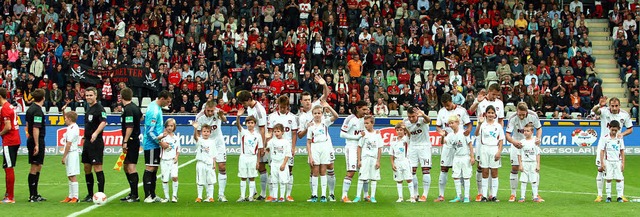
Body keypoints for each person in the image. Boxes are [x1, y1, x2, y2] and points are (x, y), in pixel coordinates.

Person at [296, 75, 332, 201]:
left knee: (328, 168)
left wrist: (324, 85)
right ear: (301, 101)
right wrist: (307, 128)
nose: (307, 101)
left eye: (309, 99)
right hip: (314, 143)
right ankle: (314, 194)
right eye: (305, 100)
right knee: (313, 170)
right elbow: (300, 135)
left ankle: (330, 194)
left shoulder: (317, 106)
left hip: (326, 142)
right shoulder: (301, 117)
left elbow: (326, 96)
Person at [592, 97, 632, 202]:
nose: (614, 108)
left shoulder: (624, 115)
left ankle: (621, 195)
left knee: (619, 169)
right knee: (601, 169)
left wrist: (622, 134)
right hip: (604, 143)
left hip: (617, 143)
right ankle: (600, 195)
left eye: (616, 106)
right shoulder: (604, 111)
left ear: (619, 105)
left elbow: (630, 128)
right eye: (612, 106)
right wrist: (599, 104)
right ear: (609, 105)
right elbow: (594, 111)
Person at [469, 85, 504, 202]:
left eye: (497, 95)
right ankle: (480, 193)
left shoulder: (499, 103)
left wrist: (498, 134)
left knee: (493, 169)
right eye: (493, 94)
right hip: (481, 140)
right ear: (489, 91)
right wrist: (476, 102)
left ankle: (491, 194)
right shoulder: (481, 100)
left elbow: (501, 120)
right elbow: (471, 110)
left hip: (493, 139)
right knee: (481, 167)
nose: (495, 97)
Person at [434, 93, 471, 202]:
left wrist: (468, 131)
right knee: (444, 168)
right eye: (445, 105)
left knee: (462, 171)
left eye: (448, 105)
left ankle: (465, 195)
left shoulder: (462, 111)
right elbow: (438, 126)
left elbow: (469, 124)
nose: (447, 107)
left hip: (460, 142)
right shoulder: (441, 112)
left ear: (452, 101)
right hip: (448, 141)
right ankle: (441, 195)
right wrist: (441, 132)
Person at [505, 102, 542, 202]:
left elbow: (539, 128)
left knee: (535, 168)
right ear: (516, 111)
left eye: (523, 114)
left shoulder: (533, 115)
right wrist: (514, 142)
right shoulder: (513, 117)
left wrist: (537, 139)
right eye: (519, 114)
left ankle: (536, 194)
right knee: (515, 167)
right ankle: (513, 194)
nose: (521, 116)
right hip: (517, 142)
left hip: (530, 143)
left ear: (527, 112)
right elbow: (507, 134)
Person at [237, 90, 268, 200]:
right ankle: (253, 192)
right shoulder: (250, 108)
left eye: (244, 103)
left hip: (259, 140)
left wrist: (263, 146)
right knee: (253, 169)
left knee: (261, 167)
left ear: (249, 100)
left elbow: (262, 129)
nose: (243, 105)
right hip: (252, 139)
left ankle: (263, 193)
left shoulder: (259, 110)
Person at [142, 90, 172, 203]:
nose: (168, 104)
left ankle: (153, 195)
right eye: (167, 101)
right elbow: (149, 131)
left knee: (154, 168)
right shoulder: (154, 111)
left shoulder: (157, 107)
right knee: (150, 168)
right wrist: (160, 142)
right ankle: (147, 196)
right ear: (162, 98)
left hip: (155, 143)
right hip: (151, 144)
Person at [195, 100, 228, 202]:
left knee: (222, 166)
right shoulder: (199, 117)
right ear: (205, 108)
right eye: (208, 111)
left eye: (211, 111)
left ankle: (221, 195)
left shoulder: (217, 112)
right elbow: (198, 132)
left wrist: (222, 116)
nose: (210, 113)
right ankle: (206, 195)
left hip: (218, 143)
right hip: (206, 144)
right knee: (205, 169)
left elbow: (225, 120)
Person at [267, 95, 298, 201]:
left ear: (288, 106)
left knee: (289, 170)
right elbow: (270, 132)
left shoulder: (293, 117)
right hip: (275, 148)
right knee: (273, 170)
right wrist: (268, 145)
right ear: (278, 106)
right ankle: (272, 194)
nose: (283, 109)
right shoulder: (272, 117)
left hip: (286, 147)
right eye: (281, 107)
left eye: (285, 107)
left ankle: (288, 194)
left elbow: (294, 134)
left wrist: (293, 147)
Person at [307, 102, 339, 202]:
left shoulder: (325, 122)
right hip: (315, 147)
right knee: (315, 171)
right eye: (315, 113)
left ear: (322, 114)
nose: (317, 115)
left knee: (323, 171)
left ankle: (324, 195)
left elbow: (336, 116)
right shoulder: (310, 126)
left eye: (319, 113)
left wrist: (328, 106)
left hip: (324, 146)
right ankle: (314, 194)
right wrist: (310, 156)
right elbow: (308, 142)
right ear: (312, 114)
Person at [339, 100, 369, 203]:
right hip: (351, 147)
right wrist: (356, 137)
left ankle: (366, 195)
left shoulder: (365, 119)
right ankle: (344, 196)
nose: (366, 111)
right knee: (351, 172)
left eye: (367, 109)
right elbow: (342, 134)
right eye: (364, 109)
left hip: (363, 147)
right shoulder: (350, 119)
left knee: (364, 172)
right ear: (357, 108)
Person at [81, 87, 107, 202]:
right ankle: (90, 194)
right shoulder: (88, 109)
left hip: (96, 142)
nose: (88, 97)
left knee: (97, 167)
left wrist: (95, 133)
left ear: (95, 96)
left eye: (90, 95)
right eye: (87, 95)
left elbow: (103, 122)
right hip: (87, 142)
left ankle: (101, 194)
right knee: (87, 167)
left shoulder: (99, 108)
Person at [475, 105, 505, 202]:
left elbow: (501, 140)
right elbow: (476, 134)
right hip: (484, 149)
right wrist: (479, 124)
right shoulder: (482, 124)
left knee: (494, 172)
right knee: (484, 172)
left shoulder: (498, 126)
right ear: (486, 114)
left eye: (492, 113)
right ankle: (484, 195)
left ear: (495, 115)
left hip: (494, 149)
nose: (491, 114)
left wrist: (499, 152)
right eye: (489, 113)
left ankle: (493, 195)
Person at [403, 106, 432, 202]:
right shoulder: (405, 122)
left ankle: (425, 194)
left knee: (425, 170)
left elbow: (429, 121)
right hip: (413, 146)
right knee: (412, 171)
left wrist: (423, 114)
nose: (411, 119)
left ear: (416, 115)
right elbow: (408, 134)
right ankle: (415, 194)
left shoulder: (422, 119)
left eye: (413, 116)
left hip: (424, 146)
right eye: (409, 116)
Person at [119, 87, 143, 203]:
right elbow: (141, 117)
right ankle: (132, 193)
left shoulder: (128, 109)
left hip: (131, 141)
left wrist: (125, 141)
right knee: (126, 166)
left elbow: (129, 126)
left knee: (131, 166)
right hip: (133, 139)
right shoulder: (135, 107)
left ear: (121, 97)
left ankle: (135, 195)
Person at [353, 115, 383, 203]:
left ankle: (372, 196)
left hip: (373, 159)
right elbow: (359, 147)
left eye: (367, 123)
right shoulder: (363, 134)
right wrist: (359, 160)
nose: (365, 125)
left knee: (373, 178)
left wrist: (378, 161)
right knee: (362, 177)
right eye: (365, 123)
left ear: (372, 123)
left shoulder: (377, 134)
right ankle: (358, 196)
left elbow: (379, 148)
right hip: (365, 158)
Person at [445, 114, 474, 203]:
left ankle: (466, 196)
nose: (450, 125)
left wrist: (472, 156)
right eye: (449, 123)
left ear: (457, 123)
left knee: (466, 177)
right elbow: (446, 143)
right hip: (456, 158)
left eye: (452, 123)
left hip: (465, 157)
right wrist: (443, 136)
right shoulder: (450, 135)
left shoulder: (464, 133)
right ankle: (458, 196)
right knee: (456, 176)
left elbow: (470, 145)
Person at [235, 110, 262, 202]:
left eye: (252, 123)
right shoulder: (243, 132)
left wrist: (258, 161)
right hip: (243, 157)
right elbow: (238, 126)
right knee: (243, 177)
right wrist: (238, 116)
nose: (250, 124)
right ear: (246, 124)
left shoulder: (258, 135)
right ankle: (242, 196)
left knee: (252, 177)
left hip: (253, 157)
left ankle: (251, 196)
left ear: (255, 124)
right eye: (248, 123)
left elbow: (259, 150)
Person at [25, 88, 46, 202]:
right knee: (34, 166)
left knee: (38, 165)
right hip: (36, 140)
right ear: (43, 98)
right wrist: (37, 144)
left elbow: (28, 124)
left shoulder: (30, 109)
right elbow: (35, 128)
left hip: (32, 139)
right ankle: (32, 195)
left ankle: (35, 193)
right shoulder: (37, 110)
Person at [598, 120, 626, 203]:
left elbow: (622, 151)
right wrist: (602, 163)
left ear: (618, 129)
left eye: (615, 130)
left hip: (617, 161)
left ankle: (619, 196)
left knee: (619, 178)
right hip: (608, 161)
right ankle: (609, 196)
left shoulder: (620, 138)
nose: (614, 132)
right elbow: (602, 150)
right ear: (609, 128)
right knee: (608, 178)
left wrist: (623, 163)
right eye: (612, 130)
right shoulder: (605, 138)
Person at [0, 87, 19, 203]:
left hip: (9, 140)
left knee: (8, 168)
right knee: (8, 167)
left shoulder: (5, 109)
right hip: (14, 139)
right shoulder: (10, 106)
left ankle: (10, 197)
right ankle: (8, 194)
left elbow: (8, 126)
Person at [266, 123, 292, 202]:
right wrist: (266, 139)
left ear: (282, 132)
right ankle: (274, 196)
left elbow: (288, 154)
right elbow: (266, 148)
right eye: (275, 131)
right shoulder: (272, 141)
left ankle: (281, 197)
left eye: (278, 131)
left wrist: (284, 164)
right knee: (274, 180)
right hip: (274, 163)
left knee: (282, 181)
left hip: (282, 163)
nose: (276, 133)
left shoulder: (286, 142)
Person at [390, 123, 415, 203]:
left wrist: (406, 128)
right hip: (397, 162)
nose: (399, 132)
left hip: (406, 161)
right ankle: (400, 197)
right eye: (397, 130)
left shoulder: (406, 139)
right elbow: (392, 153)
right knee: (399, 180)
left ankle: (412, 197)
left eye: (401, 130)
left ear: (404, 131)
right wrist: (392, 163)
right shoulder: (393, 141)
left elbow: (410, 135)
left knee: (409, 179)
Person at [192, 123, 217, 203]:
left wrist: (214, 164)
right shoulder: (200, 140)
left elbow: (214, 154)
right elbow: (195, 137)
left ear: (210, 133)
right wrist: (195, 129)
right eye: (204, 131)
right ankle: (199, 197)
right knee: (200, 180)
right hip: (201, 163)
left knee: (210, 180)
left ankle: (210, 197)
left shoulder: (212, 142)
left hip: (209, 164)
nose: (206, 133)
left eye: (207, 131)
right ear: (201, 132)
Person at [517, 123, 542, 203]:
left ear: (532, 132)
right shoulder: (522, 142)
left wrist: (538, 164)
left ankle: (535, 196)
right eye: (524, 131)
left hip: (533, 163)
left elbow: (537, 154)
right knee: (524, 180)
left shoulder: (535, 141)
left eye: (527, 131)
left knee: (534, 180)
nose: (525, 132)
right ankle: (522, 197)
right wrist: (520, 164)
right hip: (525, 163)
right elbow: (519, 154)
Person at [60, 111, 80, 203]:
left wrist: (64, 156)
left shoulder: (73, 128)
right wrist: (63, 111)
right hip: (70, 153)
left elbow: (69, 144)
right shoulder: (71, 127)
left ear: (70, 119)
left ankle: (75, 197)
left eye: (66, 118)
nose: (64, 120)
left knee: (72, 175)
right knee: (69, 175)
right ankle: (70, 196)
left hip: (72, 153)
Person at [160, 118, 180, 203]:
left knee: (174, 177)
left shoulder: (176, 137)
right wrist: (161, 141)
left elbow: (178, 149)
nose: (169, 127)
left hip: (173, 160)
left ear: (174, 127)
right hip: (164, 160)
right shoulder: (163, 136)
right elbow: (159, 142)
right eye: (168, 126)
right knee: (165, 179)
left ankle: (174, 196)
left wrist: (176, 157)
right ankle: (166, 197)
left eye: (171, 126)